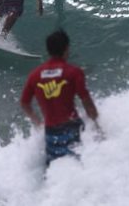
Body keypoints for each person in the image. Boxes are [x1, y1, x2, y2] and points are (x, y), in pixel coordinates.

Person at [20, 29, 101, 165]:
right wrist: (97, 124)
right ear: (66, 48)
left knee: (54, 169)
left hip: (50, 132)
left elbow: (24, 103)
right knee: (78, 165)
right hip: (72, 128)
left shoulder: (35, 75)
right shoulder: (73, 72)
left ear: (48, 50)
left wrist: (38, 122)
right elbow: (86, 100)